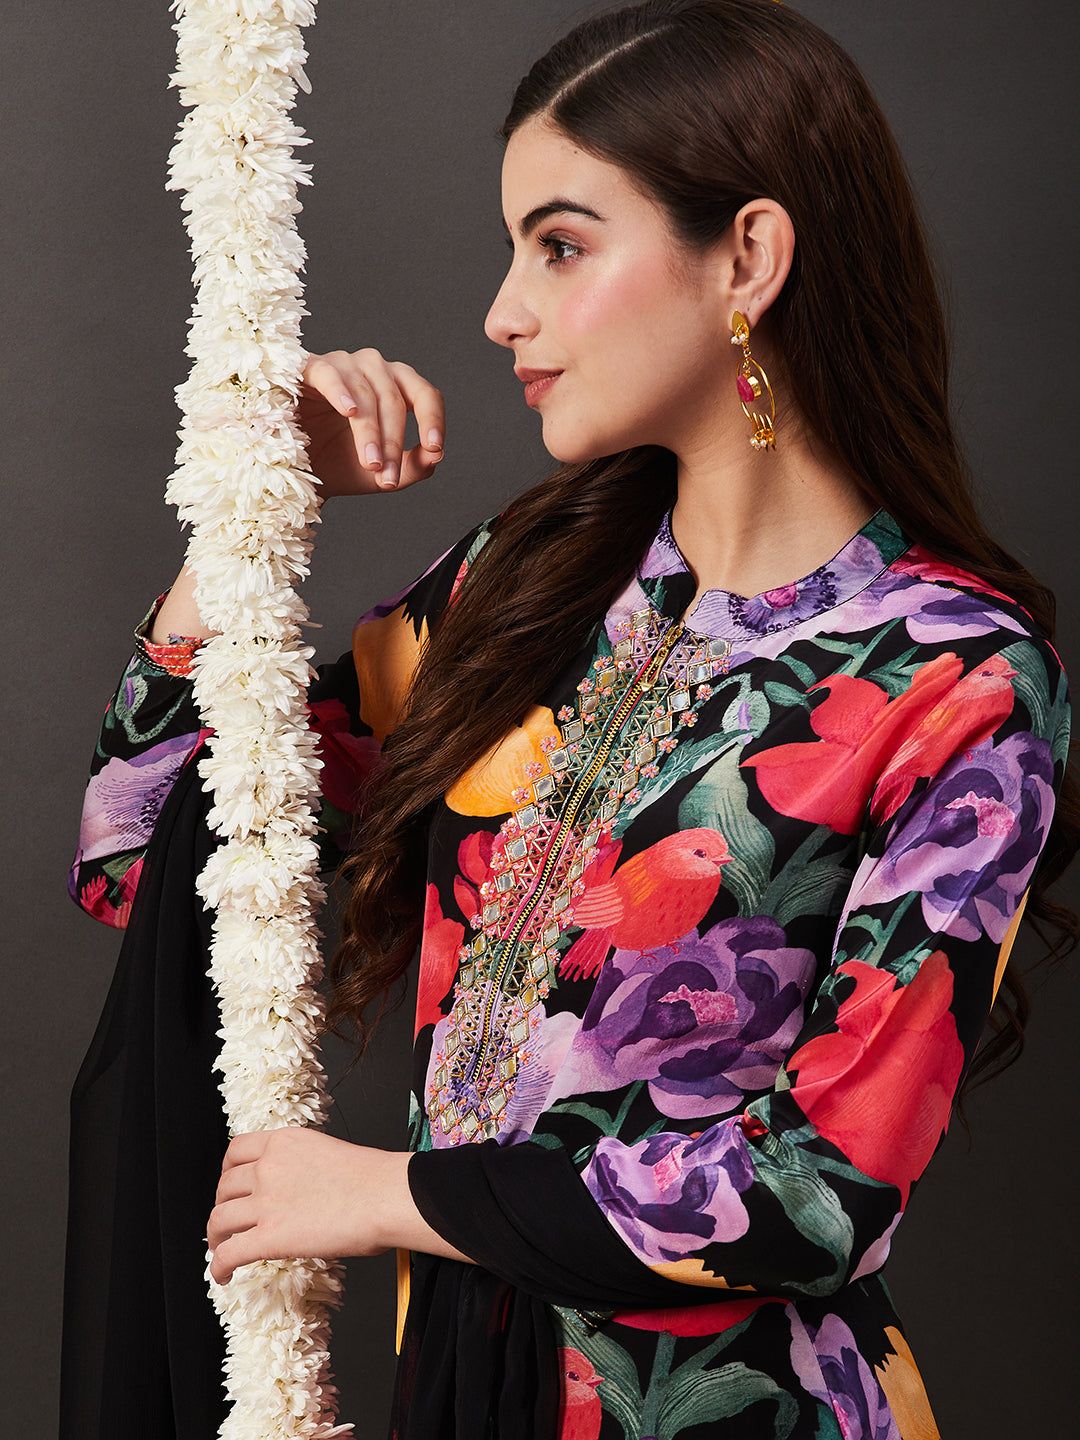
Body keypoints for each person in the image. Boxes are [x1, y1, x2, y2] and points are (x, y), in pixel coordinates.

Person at [65, 2, 1077, 1437]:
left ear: (749, 256)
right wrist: (252, 511)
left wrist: (394, 1196)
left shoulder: (956, 677)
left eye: (559, 244)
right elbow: (150, 853)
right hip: (465, 1393)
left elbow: (822, 1194)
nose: (502, 313)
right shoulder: (527, 587)